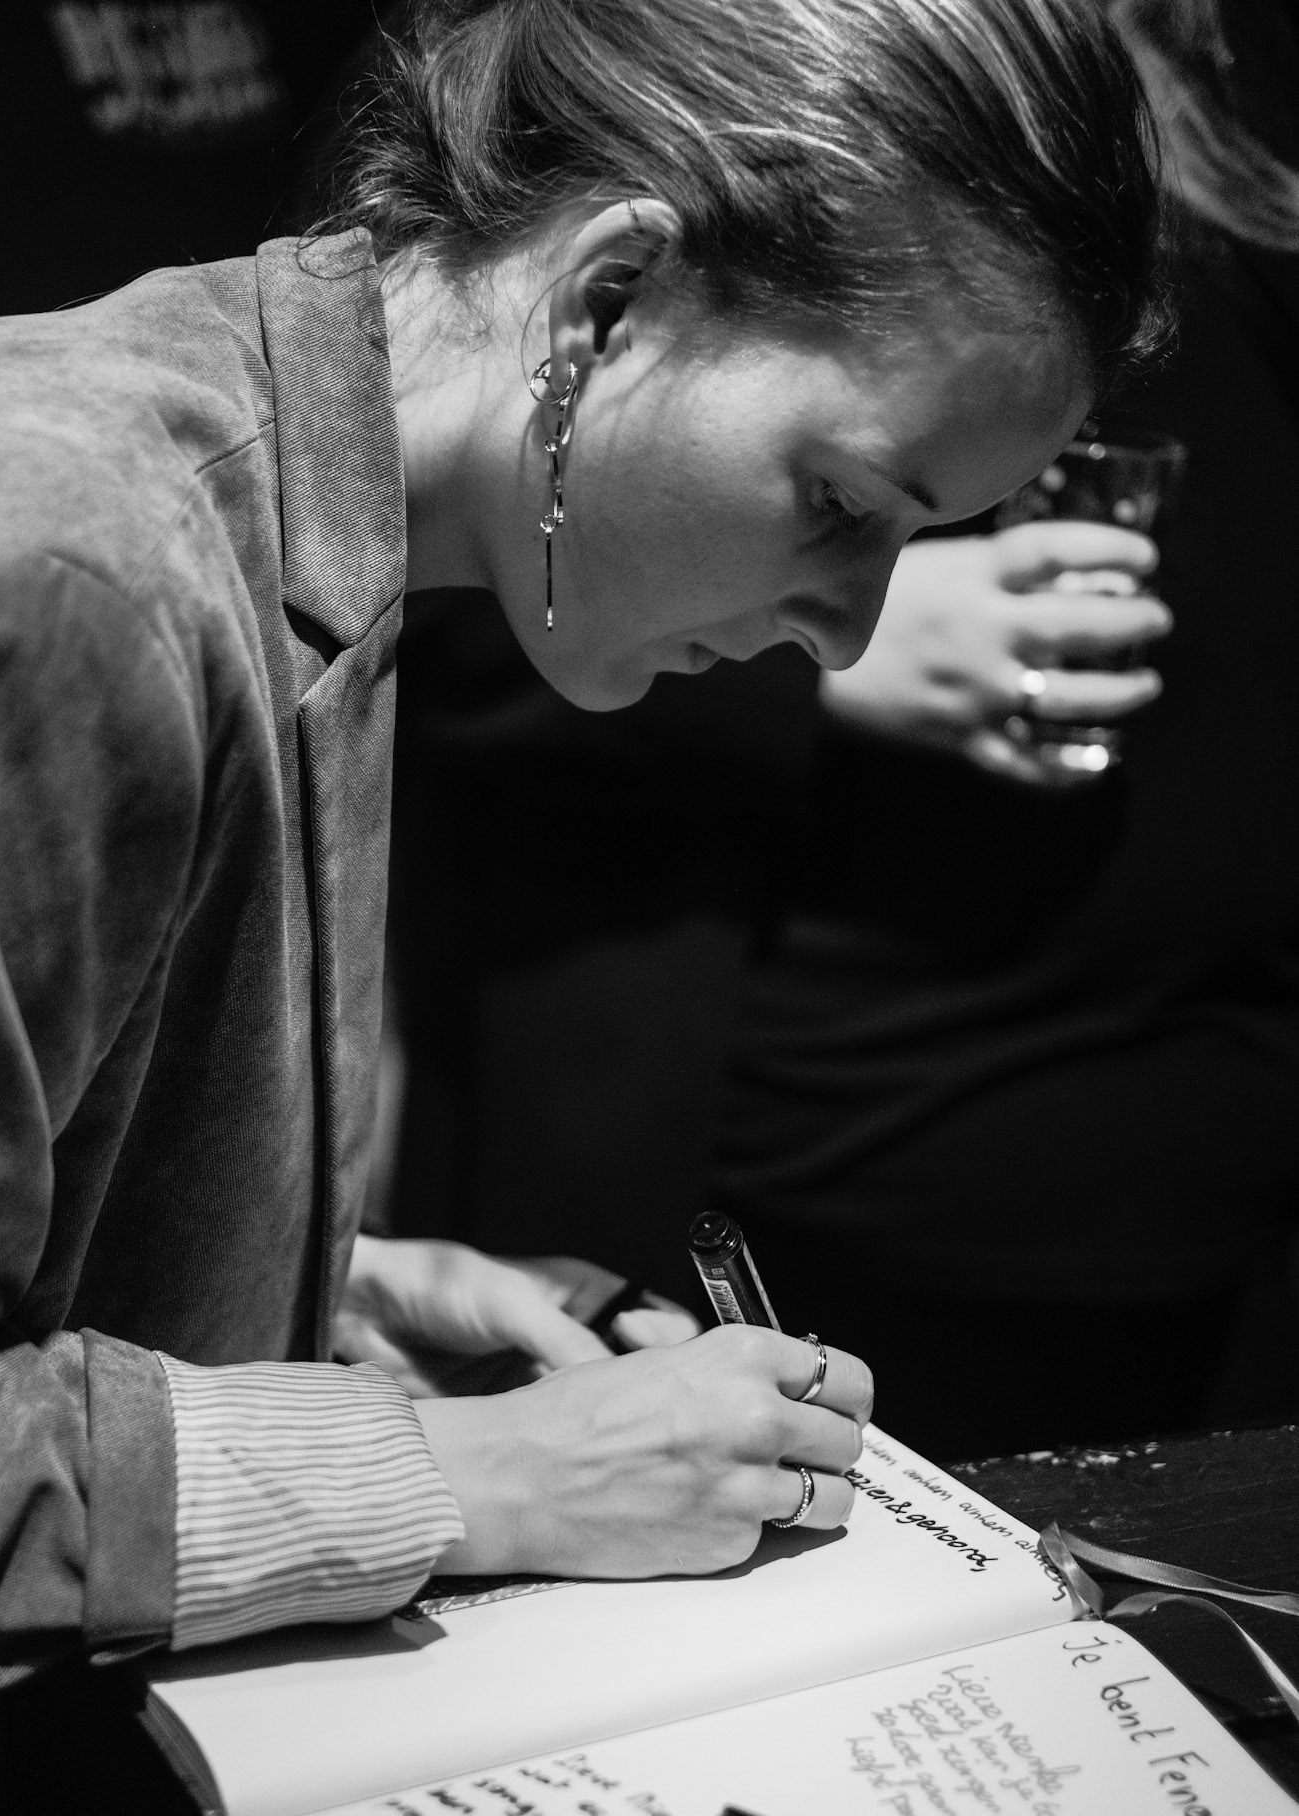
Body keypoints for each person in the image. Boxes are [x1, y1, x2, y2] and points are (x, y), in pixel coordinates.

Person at [0, 0, 1163, 1816]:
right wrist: (476, 1474)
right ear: (606, 301)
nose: (846, 629)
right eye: (841, 502)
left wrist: (312, 1288)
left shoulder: (298, 525)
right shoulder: (64, 564)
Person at [388, 0, 1299, 1466]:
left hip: (1175, 1175)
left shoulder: (1239, 118)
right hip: (780, 1149)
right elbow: (461, 548)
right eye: (839, 507)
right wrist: (444, 1476)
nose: (850, 621)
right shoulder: (731, 88)